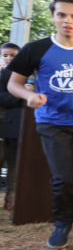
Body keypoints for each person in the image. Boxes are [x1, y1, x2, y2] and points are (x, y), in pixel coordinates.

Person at [8, 0, 73, 249]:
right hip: (52, 122)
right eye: (62, 15)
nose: (67, 20)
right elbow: (14, 84)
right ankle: (62, 223)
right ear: (53, 17)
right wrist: (30, 95)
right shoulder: (36, 49)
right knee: (64, 178)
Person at [0, 43, 24, 208]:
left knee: (14, 162)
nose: (9, 58)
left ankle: (11, 196)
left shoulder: (29, 74)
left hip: (17, 127)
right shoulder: (2, 75)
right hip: (3, 126)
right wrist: (22, 94)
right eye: (5, 55)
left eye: (13, 55)